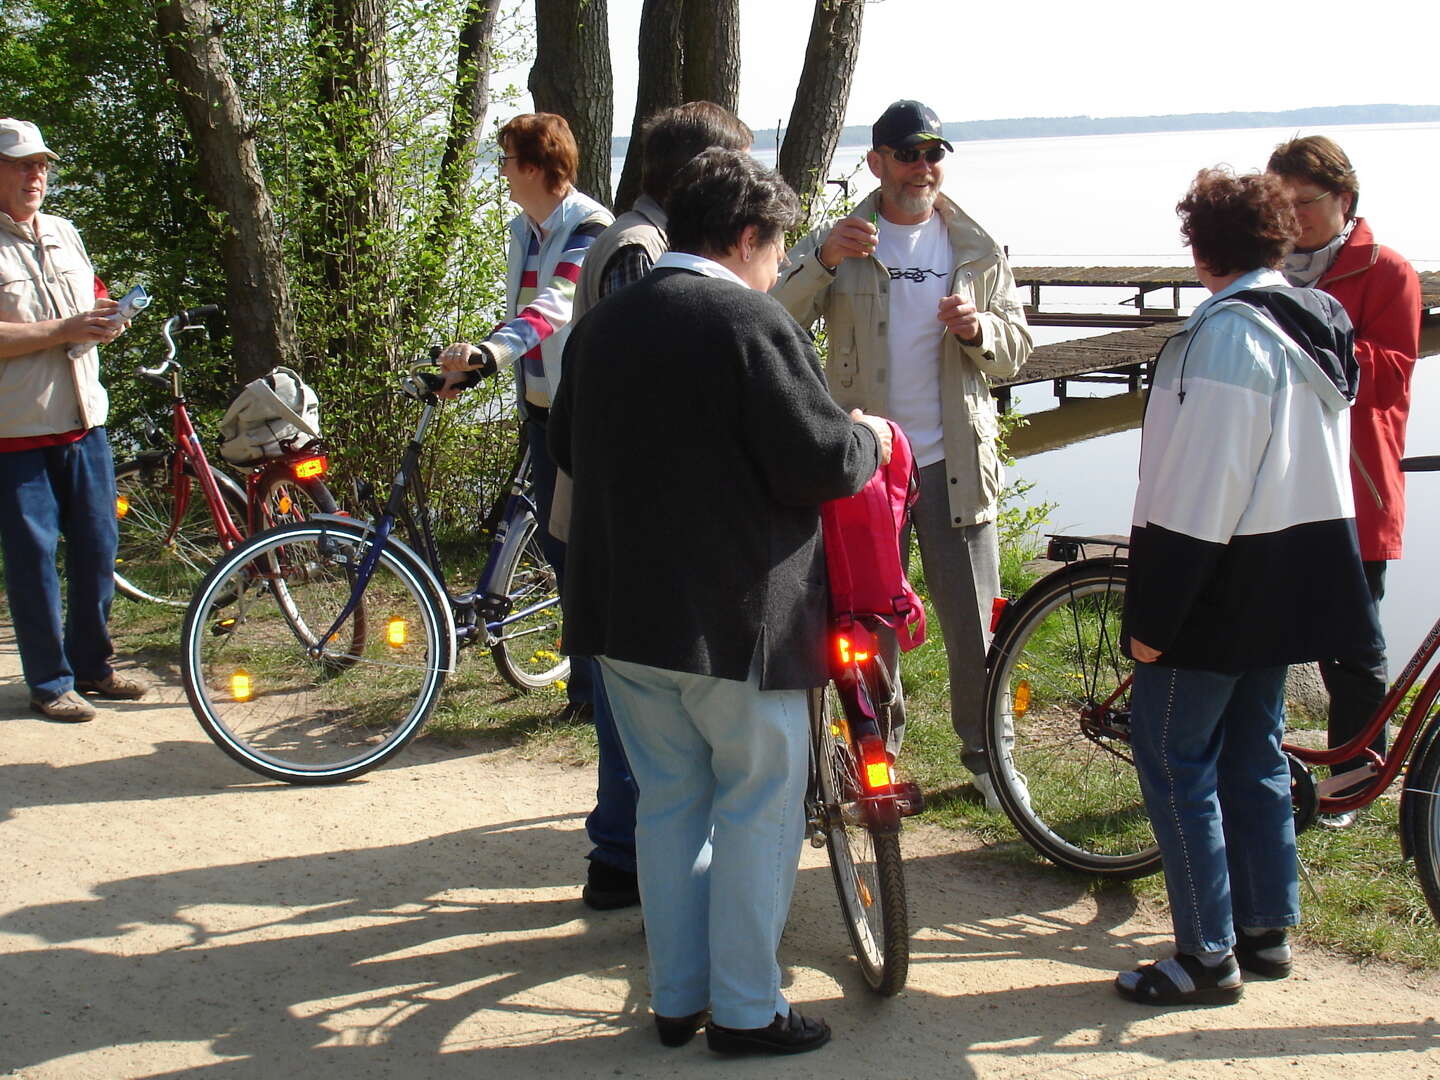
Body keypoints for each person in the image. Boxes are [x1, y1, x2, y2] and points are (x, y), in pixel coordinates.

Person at [550, 148, 891, 1054]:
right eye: (776, 247)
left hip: (622, 612)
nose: (780, 265)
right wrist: (871, 438)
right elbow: (819, 461)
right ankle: (746, 1008)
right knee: (759, 806)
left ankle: (678, 997)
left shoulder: (603, 325)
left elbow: (572, 457)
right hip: (737, 619)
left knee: (669, 805)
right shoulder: (749, 322)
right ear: (745, 238)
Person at [1116, 168, 1382, 1006]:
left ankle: (1205, 954)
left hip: (1220, 584)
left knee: (1172, 755)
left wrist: (1156, 614)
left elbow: (1203, 487)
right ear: (1277, 240)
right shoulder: (1317, 320)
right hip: (1288, 576)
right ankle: (1265, 930)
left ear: (1200, 247)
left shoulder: (1229, 337)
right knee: (1251, 752)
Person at [773, 99, 1032, 806]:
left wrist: (979, 330)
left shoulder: (974, 247)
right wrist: (822, 261)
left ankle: (991, 761)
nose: (925, 167)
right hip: (868, 469)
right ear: (877, 161)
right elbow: (773, 319)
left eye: (935, 154)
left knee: (973, 626)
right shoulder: (844, 241)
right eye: (910, 154)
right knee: (868, 627)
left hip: (953, 464)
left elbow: (1015, 352)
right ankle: (875, 755)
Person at [564, 101, 753, 912]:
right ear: (696, 179)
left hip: (618, 508)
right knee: (634, 705)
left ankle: (626, 851)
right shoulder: (641, 254)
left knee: (633, 694)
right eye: (732, 170)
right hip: (632, 516)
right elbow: (647, 391)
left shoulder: (635, 242)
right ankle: (622, 856)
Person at [436, 113, 612, 727]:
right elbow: (523, 322)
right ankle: (588, 684)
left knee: (579, 551)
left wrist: (487, 351)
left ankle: (592, 690)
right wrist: (476, 368)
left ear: (535, 167)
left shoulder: (589, 227)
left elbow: (554, 307)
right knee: (562, 551)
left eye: (508, 160)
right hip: (540, 412)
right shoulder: (524, 229)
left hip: (582, 416)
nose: (502, 172)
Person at [1267, 135, 1422, 828]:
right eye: (1283, 203)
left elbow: (1391, 373)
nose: (1294, 216)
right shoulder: (1266, 269)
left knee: (1355, 647)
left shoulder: (1387, 272)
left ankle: (1353, 781)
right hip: (1276, 485)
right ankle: (1263, 764)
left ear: (1345, 200)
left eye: (1307, 202)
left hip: (1355, 487)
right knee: (1263, 631)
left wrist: (1314, 334)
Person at [0, 118, 148, 722]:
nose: (36, 175)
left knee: (97, 545)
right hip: (16, 431)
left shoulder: (63, 232)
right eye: (21, 164)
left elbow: (92, 301)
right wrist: (61, 331)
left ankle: (93, 665)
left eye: (41, 165)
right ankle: (49, 681)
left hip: (86, 421)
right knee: (34, 558)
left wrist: (110, 320)